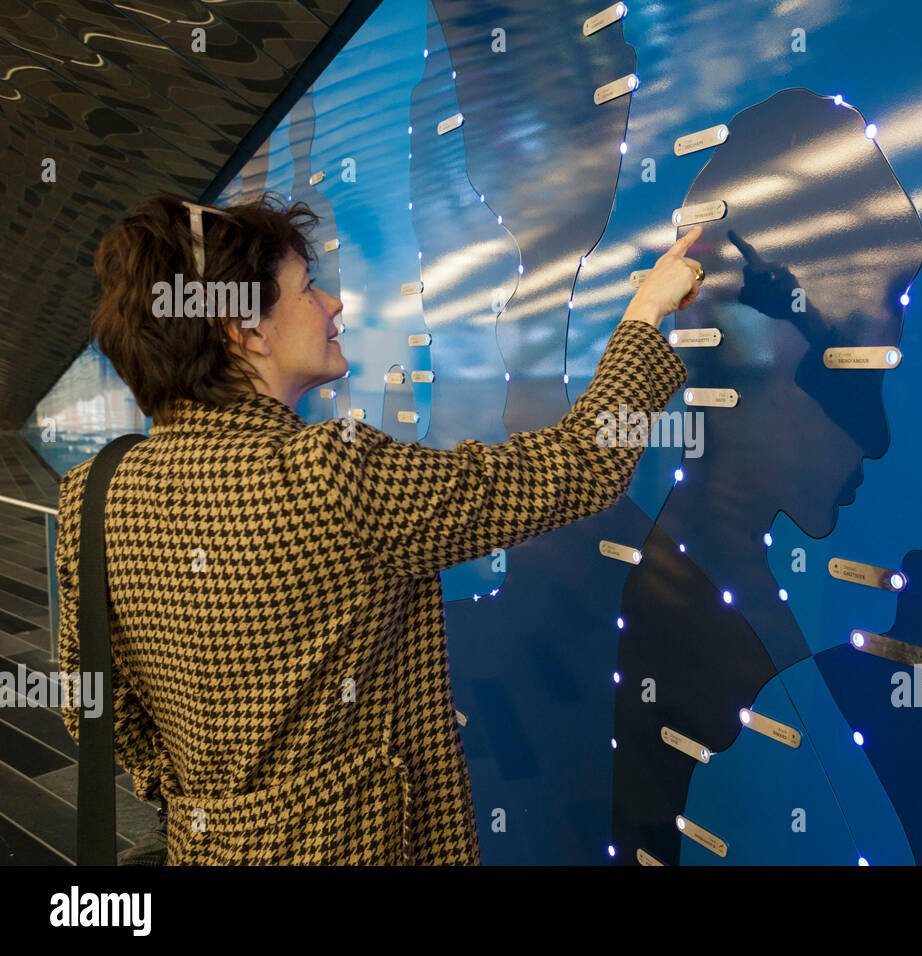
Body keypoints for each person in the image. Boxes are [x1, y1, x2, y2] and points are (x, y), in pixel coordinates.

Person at [55, 192, 704, 864]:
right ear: (244, 331)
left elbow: (94, 710)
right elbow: (579, 465)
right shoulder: (327, 472)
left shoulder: (95, 493)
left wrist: (213, 807)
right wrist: (646, 311)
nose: (333, 305)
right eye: (307, 289)